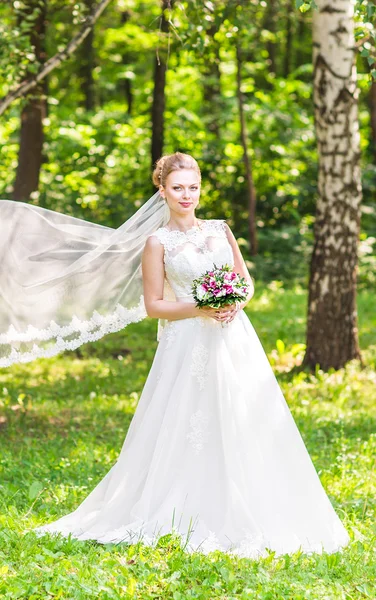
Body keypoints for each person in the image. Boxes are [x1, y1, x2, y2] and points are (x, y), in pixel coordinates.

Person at [3, 152, 350, 558]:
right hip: (187, 344)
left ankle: (256, 499)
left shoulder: (221, 230)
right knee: (189, 421)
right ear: (162, 190)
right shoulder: (157, 242)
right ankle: (183, 503)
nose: (186, 195)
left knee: (244, 413)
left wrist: (236, 302)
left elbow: (245, 280)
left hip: (233, 337)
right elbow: (154, 305)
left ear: (200, 189)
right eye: (177, 188)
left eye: (193, 187)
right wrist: (201, 309)